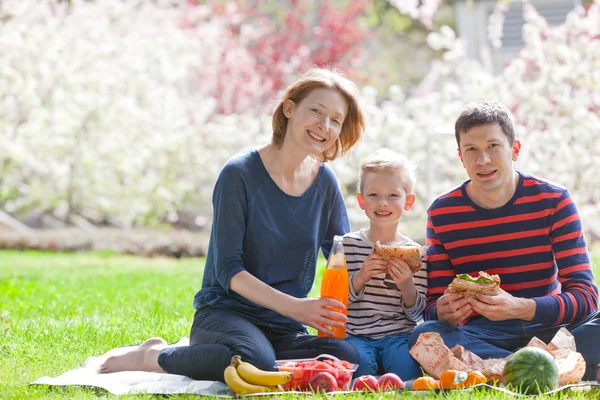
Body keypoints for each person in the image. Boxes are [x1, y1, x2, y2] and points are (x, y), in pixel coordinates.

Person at [97, 68, 365, 381]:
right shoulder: (239, 173)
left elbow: (342, 255)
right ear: (290, 109)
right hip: (225, 315)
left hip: (284, 326)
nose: (325, 126)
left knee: (347, 357)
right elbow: (228, 270)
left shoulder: (325, 183)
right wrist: (297, 308)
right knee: (255, 360)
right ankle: (154, 355)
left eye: (335, 119)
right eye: (316, 111)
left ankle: (252, 357)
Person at [408, 101, 600, 382]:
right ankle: (545, 368)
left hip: (551, 329)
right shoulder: (442, 212)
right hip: (484, 334)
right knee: (424, 334)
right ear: (461, 157)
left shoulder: (554, 201)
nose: (482, 160)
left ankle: (499, 371)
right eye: (471, 150)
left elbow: (586, 296)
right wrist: (445, 311)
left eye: (493, 146)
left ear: (515, 150)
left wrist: (522, 306)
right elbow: (433, 307)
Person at [343, 149, 427, 380]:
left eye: (392, 195)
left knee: (407, 373)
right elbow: (338, 301)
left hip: (399, 336)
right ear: (361, 200)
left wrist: (407, 286)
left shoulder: (416, 254)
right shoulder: (347, 246)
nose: (382, 203)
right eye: (373, 195)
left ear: (408, 201)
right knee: (361, 371)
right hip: (356, 335)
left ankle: (387, 370)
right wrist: (360, 277)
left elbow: (418, 313)